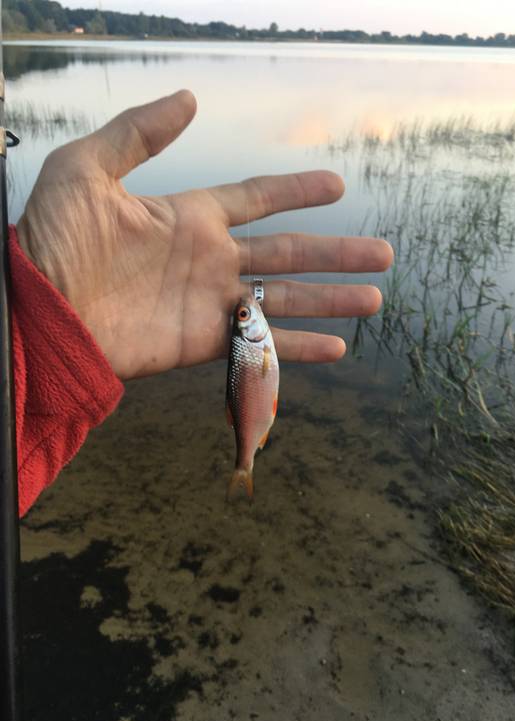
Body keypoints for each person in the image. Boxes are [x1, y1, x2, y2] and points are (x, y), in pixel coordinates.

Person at [11, 90, 393, 516]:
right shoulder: (254, 340)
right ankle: (244, 465)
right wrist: (40, 318)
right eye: (244, 314)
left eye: (244, 314)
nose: (246, 312)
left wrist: (37, 326)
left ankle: (245, 462)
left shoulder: (249, 341)